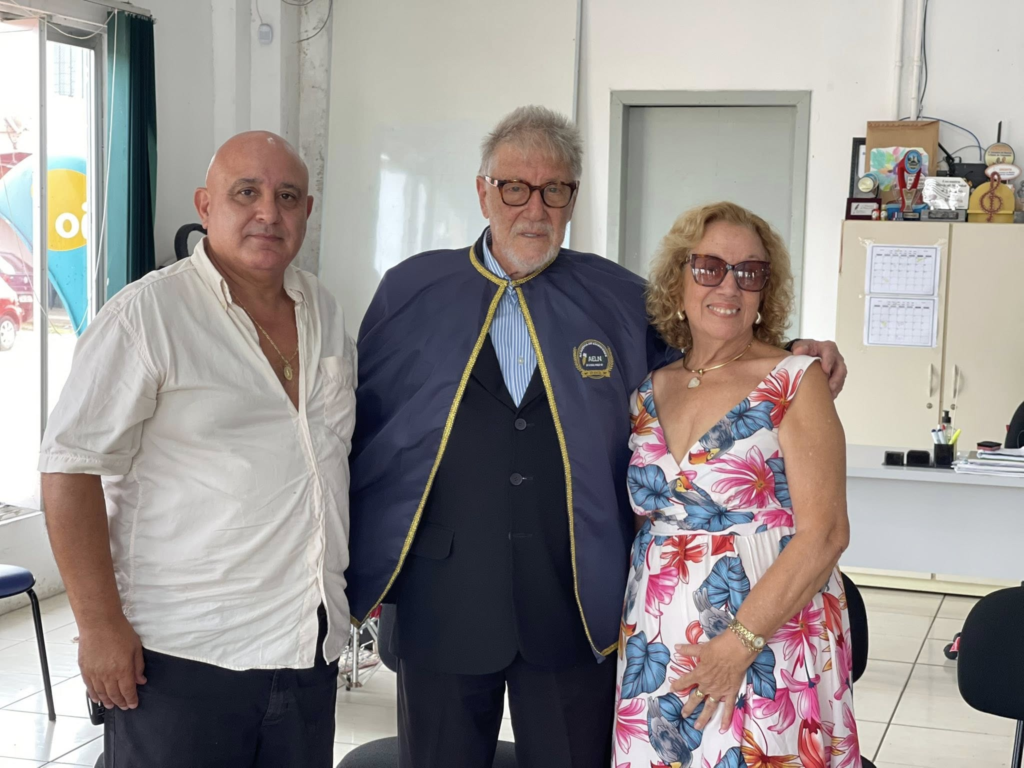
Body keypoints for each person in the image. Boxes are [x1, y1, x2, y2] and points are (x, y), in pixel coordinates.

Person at [347, 106, 848, 768]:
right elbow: (363, 426)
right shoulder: (412, 290)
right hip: (443, 599)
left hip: (577, 603)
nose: (535, 208)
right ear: (483, 191)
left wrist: (798, 350)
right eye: (514, 188)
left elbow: (713, 350)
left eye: (555, 189)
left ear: (573, 198)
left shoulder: (616, 296)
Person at [38, 131, 356, 768]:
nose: (268, 212)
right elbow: (68, 469)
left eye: (286, 196)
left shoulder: (323, 309)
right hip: (184, 655)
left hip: (306, 646)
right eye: (246, 193)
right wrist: (99, 627)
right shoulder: (147, 316)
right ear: (206, 206)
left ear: (307, 211)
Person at [613, 202, 857, 767]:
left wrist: (739, 643)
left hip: (768, 631)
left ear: (765, 291)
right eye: (709, 267)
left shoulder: (795, 380)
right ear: (678, 281)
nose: (729, 285)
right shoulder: (648, 390)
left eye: (749, 272)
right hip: (658, 632)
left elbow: (826, 533)